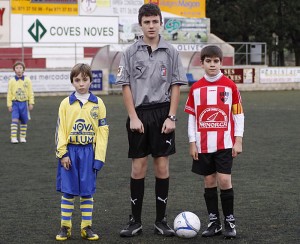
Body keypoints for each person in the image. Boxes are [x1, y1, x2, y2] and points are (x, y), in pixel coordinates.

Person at [116, 3, 188, 238]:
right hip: (139, 114)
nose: (151, 26)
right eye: (146, 22)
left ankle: (161, 220)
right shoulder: (129, 52)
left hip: (163, 113)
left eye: (155, 21)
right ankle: (135, 221)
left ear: (161, 23)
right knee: (138, 167)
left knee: (162, 166)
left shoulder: (171, 52)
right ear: (140, 24)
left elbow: (176, 85)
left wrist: (172, 116)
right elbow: (125, 86)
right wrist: (133, 117)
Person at [184, 45, 244, 239]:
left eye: (215, 61)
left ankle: (229, 221)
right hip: (203, 144)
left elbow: (238, 114)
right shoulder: (196, 88)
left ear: (221, 62)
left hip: (225, 143)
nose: (212, 64)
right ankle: (214, 222)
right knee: (209, 181)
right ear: (201, 63)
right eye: (208, 61)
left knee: (225, 180)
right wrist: (192, 142)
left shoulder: (230, 86)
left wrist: (238, 140)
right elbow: (192, 117)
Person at [55, 63, 109, 241]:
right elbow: (60, 130)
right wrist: (62, 153)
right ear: (72, 82)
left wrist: (99, 157)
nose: (81, 84)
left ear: (91, 81)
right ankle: (65, 227)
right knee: (68, 192)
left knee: (87, 192)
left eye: (85, 80)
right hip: (70, 151)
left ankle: (86, 227)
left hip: (89, 152)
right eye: (77, 80)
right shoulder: (65, 103)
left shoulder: (98, 103)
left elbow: (103, 131)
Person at [7, 61, 34, 143]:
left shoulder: (27, 80)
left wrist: (31, 103)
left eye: (20, 68)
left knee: (24, 121)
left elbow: (30, 92)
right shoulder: (11, 81)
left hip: (24, 104)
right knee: (14, 120)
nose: (19, 70)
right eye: (17, 68)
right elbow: (9, 93)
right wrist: (9, 105)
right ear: (14, 70)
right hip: (15, 103)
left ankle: (22, 137)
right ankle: (13, 137)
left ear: (23, 69)